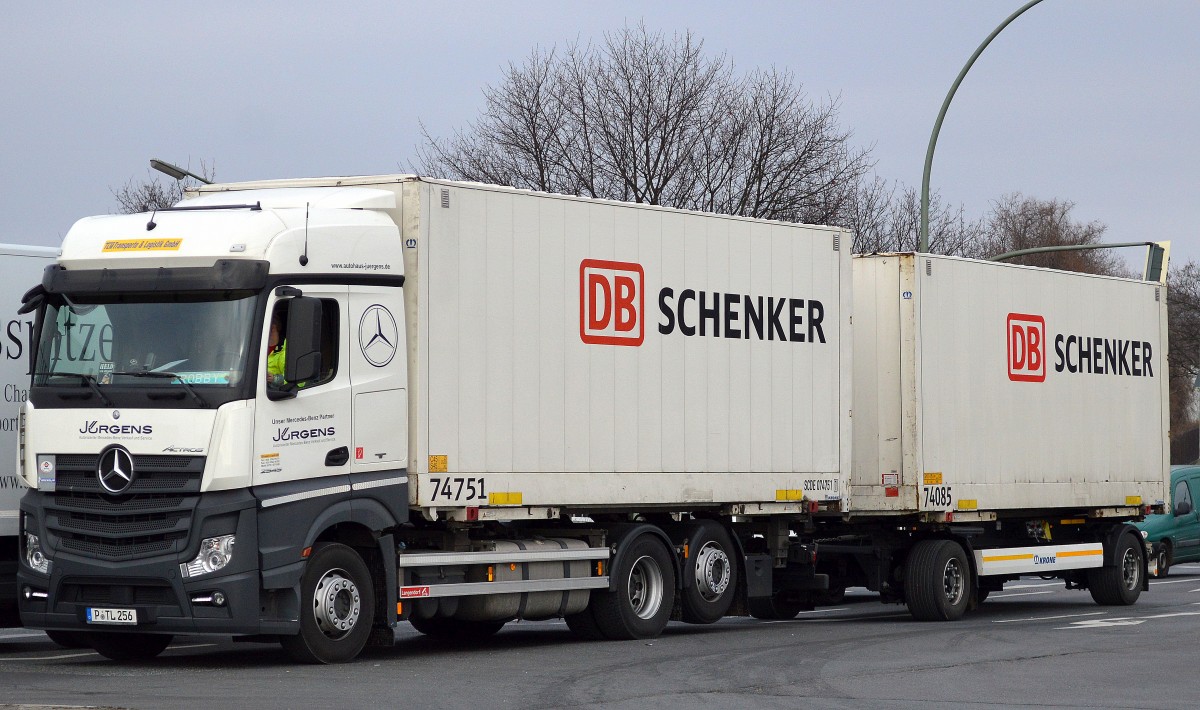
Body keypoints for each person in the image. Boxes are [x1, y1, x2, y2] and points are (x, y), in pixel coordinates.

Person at [266, 315, 287, 388]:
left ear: (277, 328)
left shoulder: (286, 350)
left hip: (275, 392)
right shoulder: (257, 346)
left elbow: (294, 380)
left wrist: (275, 379)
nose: (269, 332)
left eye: (272, 328)